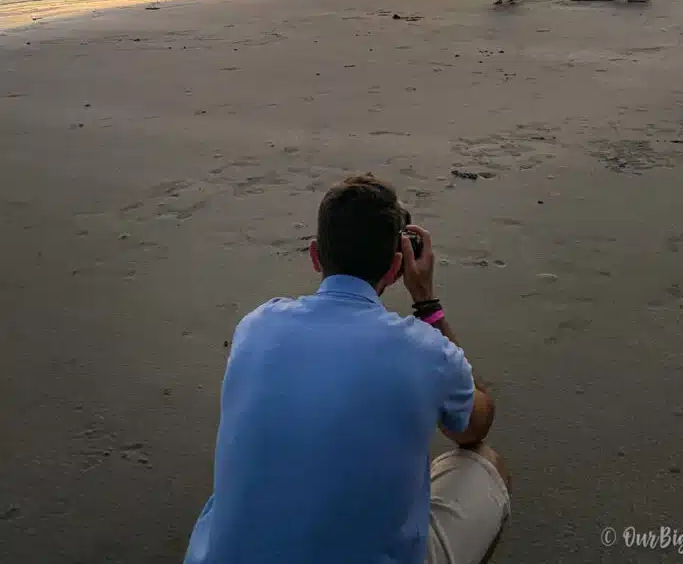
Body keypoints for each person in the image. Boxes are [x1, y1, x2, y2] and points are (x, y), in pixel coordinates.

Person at [184, 173, 510, 564]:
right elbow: (473, 426)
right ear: (395, 268)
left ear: (316, 255)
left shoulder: (256, 325)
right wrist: (426, 301)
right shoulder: (425, 351)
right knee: (485, 463)